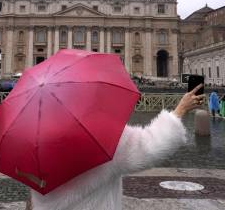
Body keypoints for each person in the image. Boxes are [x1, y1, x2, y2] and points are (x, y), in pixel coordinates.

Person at [28, 84, 205, 210]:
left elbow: (36, 187)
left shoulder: (36, 138)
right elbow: (151, 146)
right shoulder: (104, 136)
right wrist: (179, 111)